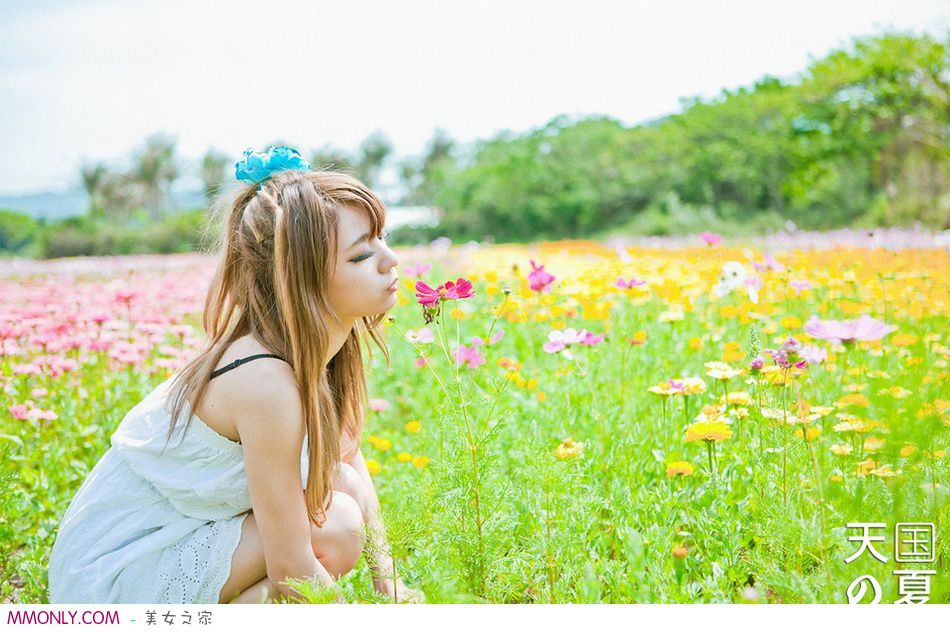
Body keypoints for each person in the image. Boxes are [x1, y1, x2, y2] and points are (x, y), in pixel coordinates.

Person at [47, 146, 424, 604]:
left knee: (340, 495)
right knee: (336, 528)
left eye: (381, 240)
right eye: (362, 255)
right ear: (300, 278)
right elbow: (293, 570)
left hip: (178, 535)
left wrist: (391, 587)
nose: (392, 261)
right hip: (113, 577)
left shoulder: (323, 350)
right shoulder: (265, 381)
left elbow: (349, 462)